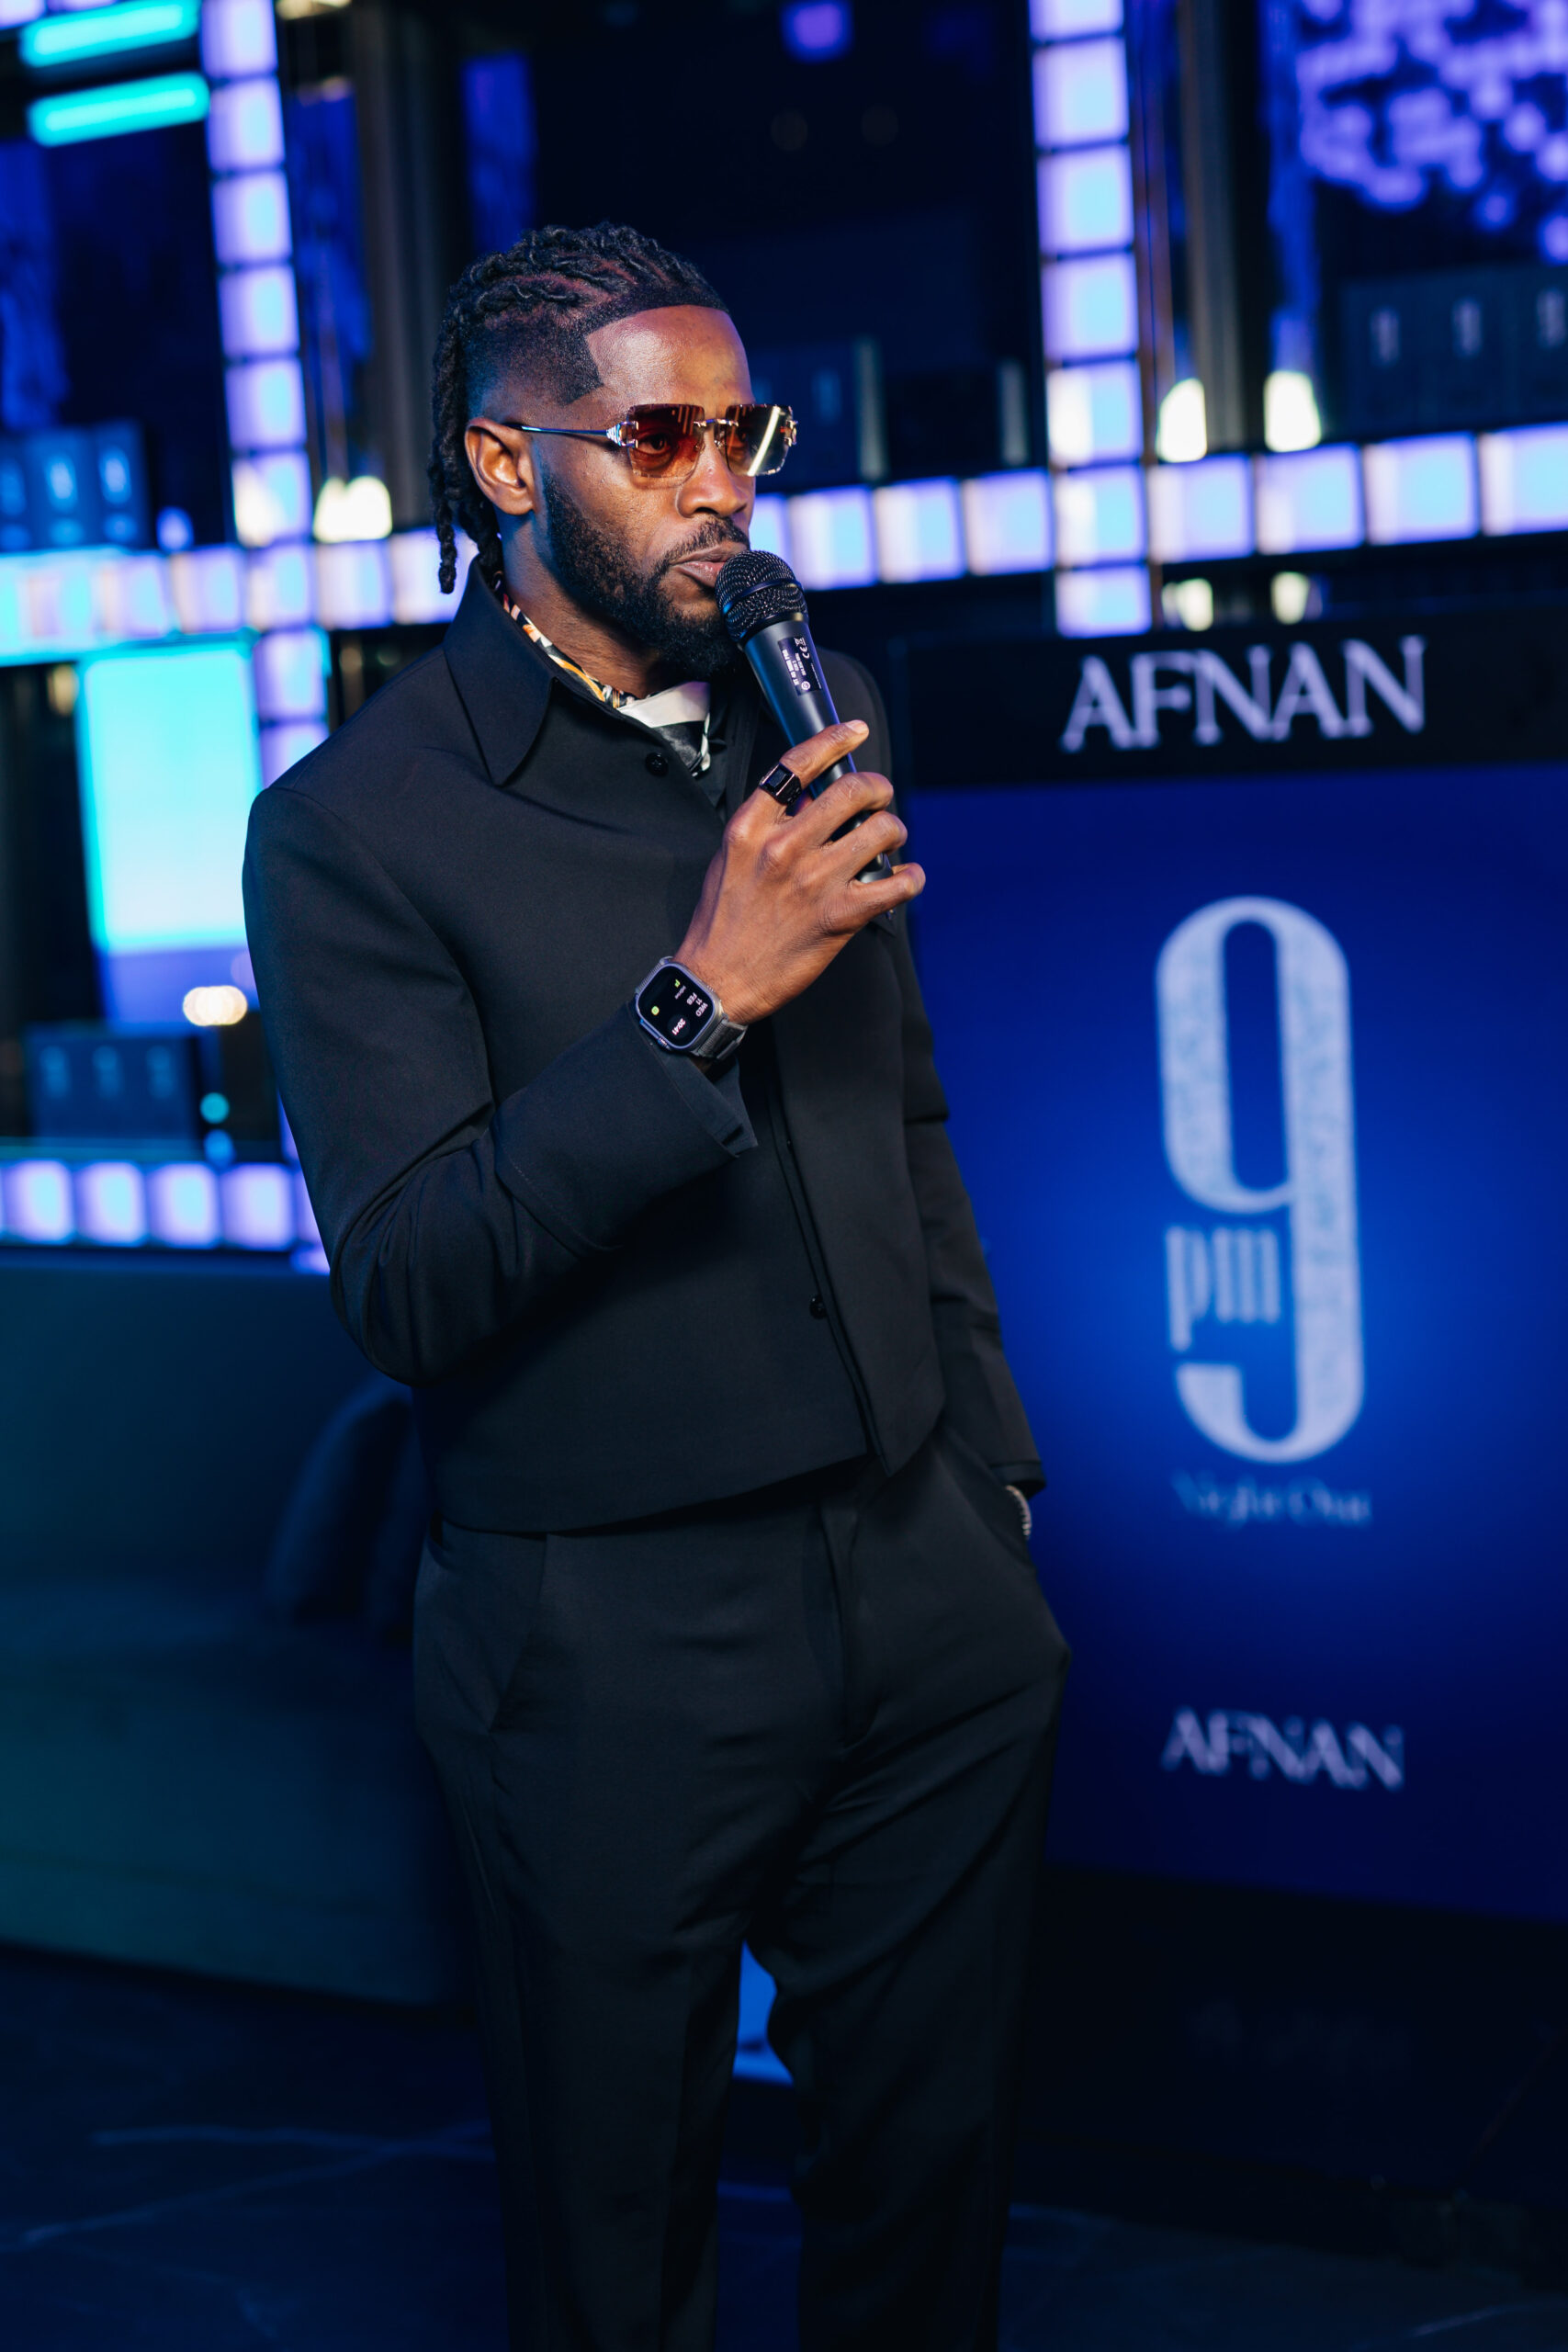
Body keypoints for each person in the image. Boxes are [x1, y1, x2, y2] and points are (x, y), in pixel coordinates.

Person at [243, 221, 1068, 2352]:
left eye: (742, 433)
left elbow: (901, 1114)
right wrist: (696, 999)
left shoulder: (816, 700)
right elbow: (412, 1280)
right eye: (660, 438)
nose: (721, 482)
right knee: (612, 2258)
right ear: (504, 466)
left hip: (919, 1583)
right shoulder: (353, 826)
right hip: (603, 1638)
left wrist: (987, 1479)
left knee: (930, 2210)